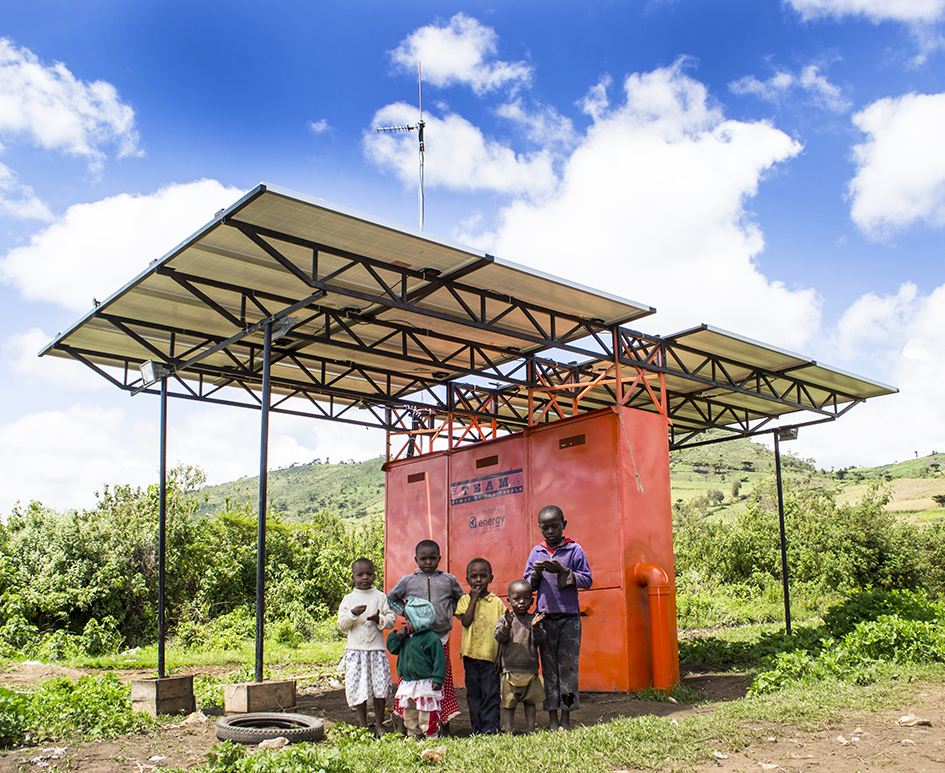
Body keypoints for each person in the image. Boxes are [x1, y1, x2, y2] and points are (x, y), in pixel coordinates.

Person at [524, 504, 593, 731]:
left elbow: (587, 580)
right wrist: (536, 573)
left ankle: (566, 718)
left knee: (568, 669)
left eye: (555, 526)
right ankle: (552, 719)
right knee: (549, 670)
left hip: (569, 619)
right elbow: (527, 585)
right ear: (540, 528)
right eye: (545, 528)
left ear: (564, 525)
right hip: (544, 619)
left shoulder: (574, 550)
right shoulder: (536, 552)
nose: (550, 531)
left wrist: (563, 572)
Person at [386, 539, 464, 734]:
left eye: (432, 558)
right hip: (414, 640)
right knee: (409, 679)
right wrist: (406, 613)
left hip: (440, 637)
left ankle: (443, 724)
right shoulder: (408, 581)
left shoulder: (448, 580)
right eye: (423, 558)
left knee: (441, 680)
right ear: (416, 559)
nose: (428, 562)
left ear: (439, 558)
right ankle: (406, 725)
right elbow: (391, 598)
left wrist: (449, 612)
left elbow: (461, 598)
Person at [336, 557, 396, 735]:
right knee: (359, 688)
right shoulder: (349, 599)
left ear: (374, 576)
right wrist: (352, 614)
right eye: (360, 574)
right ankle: (362, 724)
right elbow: (341, 625)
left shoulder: (380, 597)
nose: (365, 578)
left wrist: (380, 619)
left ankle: (379, 724)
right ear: (353, 577)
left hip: (376, 651)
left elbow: (391, 620)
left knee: (380, 689)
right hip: (356, 652)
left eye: (369, 574)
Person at [454, 557, 506, 734]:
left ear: (491, 578)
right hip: (470, 656)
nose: (478, 580)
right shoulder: (464, 600)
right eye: (474, 576)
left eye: (483, 576)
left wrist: (499, 657)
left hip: (490, 658)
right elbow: (466, 621)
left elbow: (503, 633)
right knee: (474, 694)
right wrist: (473, 599)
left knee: (490, 694)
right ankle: (476, 729)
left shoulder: (497, 603)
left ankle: (490, 729)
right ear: (467, 579)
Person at [386, 597, 446, 740]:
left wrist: (438, 679)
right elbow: (392, 648)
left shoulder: (431, 639)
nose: (406, 622)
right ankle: (413, 734)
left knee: (427, 712)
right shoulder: (405, 637)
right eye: (406, 619)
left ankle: (431, 735)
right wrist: (397, 635)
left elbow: (439, 661)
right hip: (408, 682)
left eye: (409, 620)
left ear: (420, 620)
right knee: (410, 712)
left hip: (426, 684)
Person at [493, 579, 545, 734]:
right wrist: (507, 626)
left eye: (526, 598)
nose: (521, 602)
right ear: (509, 601)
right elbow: (499, 638)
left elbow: (541, 640)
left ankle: (531, 730)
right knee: (509, 703)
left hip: (530, 670)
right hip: (510, 670)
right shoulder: (505, 619)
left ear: (532, 601)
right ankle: (508, 729)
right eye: (516, 599)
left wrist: (536, 628)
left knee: (530, 702)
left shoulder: (533, 620)